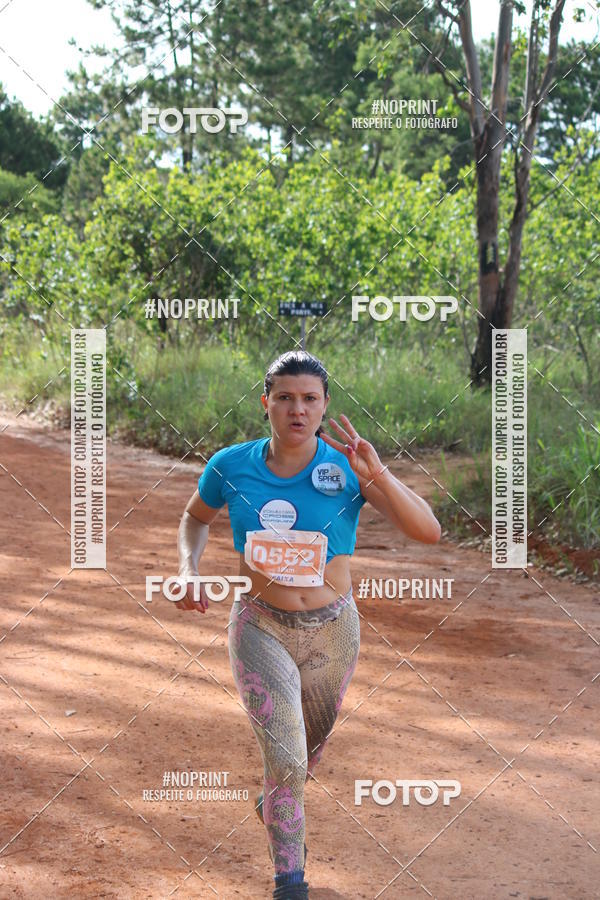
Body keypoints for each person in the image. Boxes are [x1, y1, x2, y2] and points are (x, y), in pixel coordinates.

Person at [174, 350, 441, 899]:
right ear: (265, 403)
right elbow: (195, 518)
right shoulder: (230, 465)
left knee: (300, 761)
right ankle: (290, 882)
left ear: (324, 406)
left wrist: (379, 475)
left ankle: (276, 797)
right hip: (260, 627)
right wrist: (187, 568)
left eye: (309, 399)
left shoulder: (348, 468)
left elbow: (428, 531)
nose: (297, 409)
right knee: (288, 757)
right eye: (285, 397)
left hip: (333, 633)